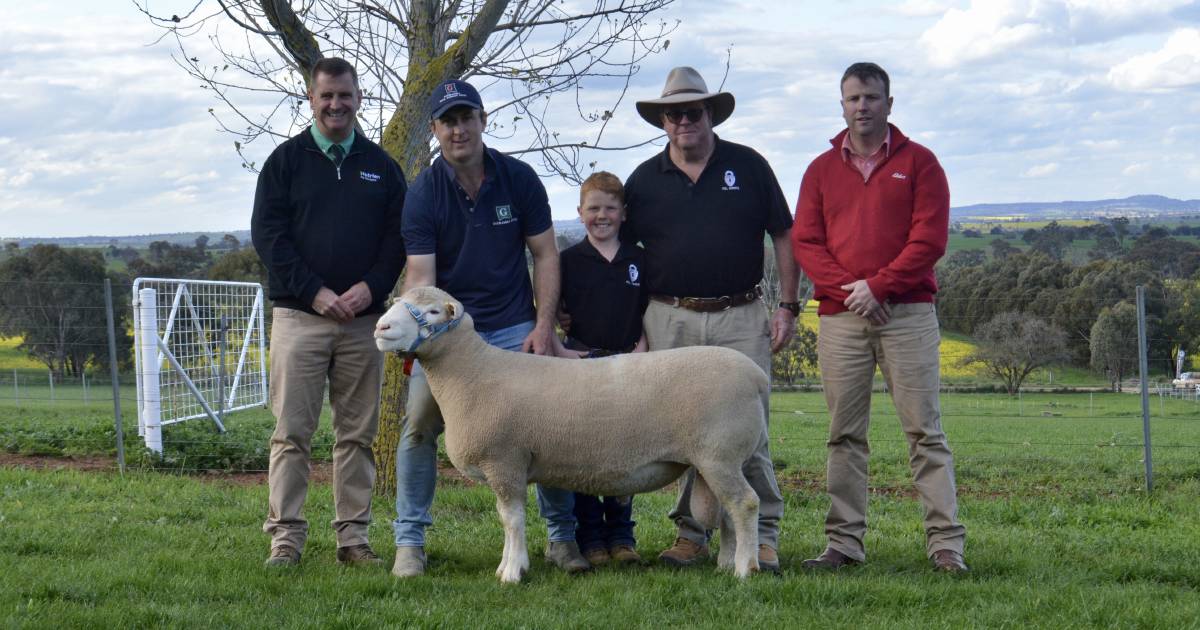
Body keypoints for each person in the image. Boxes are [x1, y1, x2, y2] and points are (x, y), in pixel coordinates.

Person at [392, 79, 587, 577]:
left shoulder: (518, 179)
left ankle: (562, 538)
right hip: (448, 338)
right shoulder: (423, 193)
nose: (459, 129)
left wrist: (544, 327)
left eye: (466, 117)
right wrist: (423, 342)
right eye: (448, 121)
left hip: (513, 326)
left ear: (483, 120)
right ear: (435, 130)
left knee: (555, 425)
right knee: (419, 424)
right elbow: (422, 280)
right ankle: (409, 541)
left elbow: (545, 254)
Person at [791, 62, 967, 573]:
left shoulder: (921, 163)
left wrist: (881, 286)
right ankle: (844, 544)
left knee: (924, 434)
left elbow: (929, 239)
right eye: (853, 98)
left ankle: (945, 546)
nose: (862, 106)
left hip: (907, 314)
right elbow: (806, 241)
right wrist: (853, 291)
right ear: (841, 105)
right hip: (840, 316)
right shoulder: (820, 170)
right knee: (844, 435)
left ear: (890, 103)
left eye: (871, 97)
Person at [623, 66, 800, 573]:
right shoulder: (642, 181)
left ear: (709, 114)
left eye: (693, 112)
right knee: (680, 429)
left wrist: (787, 305)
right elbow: (620, 251)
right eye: (673, 114)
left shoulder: (748, 166)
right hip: (669, 316)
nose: (683, 121)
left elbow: (783, 235)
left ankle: (762, 535)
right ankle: (691, 534)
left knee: (752, 430)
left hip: (740, 316)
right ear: (662, 122)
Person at [251, 57, 407, 567]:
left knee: (356, 437)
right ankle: (286, 539)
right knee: (292, 434)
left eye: (344, 95)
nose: (335, 104)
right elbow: (269, 239)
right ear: (312, 99)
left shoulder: (382, 168)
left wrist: (372, 287)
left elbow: (397, 242)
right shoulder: (285, 162)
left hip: (364, 324)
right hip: (301, 320)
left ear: (359, 97)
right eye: (326, 96)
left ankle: (353, 540)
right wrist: (315, 291)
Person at [558, 171, 648, 566]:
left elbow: (650, 310)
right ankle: (590, 537)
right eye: (593, 208)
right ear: (580, 213)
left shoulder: (639, 259)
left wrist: (642, 349)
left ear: (623, 213)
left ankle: (622, 536)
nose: (602, 215)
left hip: (628, 365)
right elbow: (552, 310)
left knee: (623, 452)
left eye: (610, 208)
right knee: (584, 454)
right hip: (582, 365)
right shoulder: (567, 261)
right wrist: (564, 353)